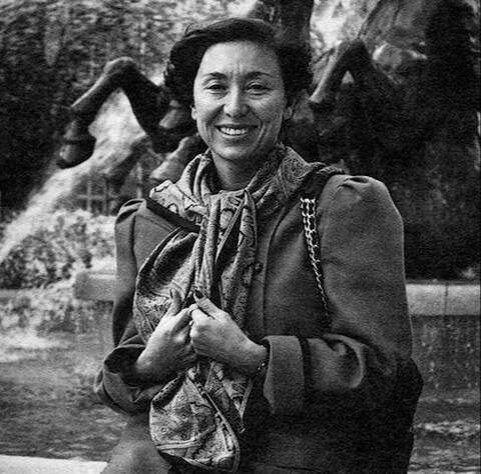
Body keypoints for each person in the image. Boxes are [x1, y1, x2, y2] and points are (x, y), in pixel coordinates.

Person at [95, 17, 421, 473]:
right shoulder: (149, 219)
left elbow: (382, 369)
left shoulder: (344, 205)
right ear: (192, 103)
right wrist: (150, 363)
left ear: (289, 104)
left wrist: (253, 357)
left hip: (298, 458)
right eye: (215, 87)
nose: (234, 107)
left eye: (257, 88)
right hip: (159, 460)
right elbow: (117, 378)